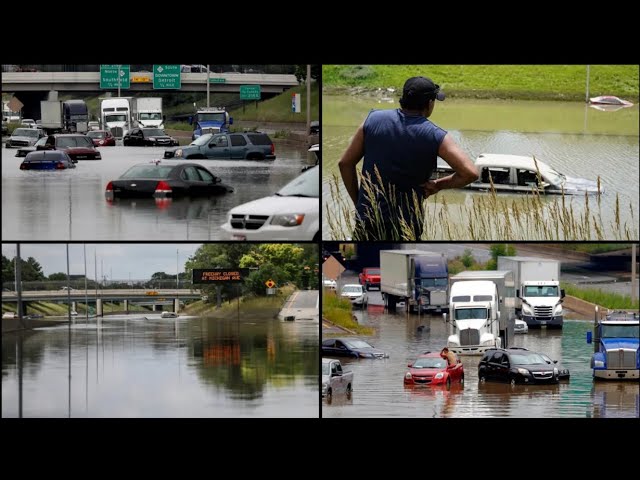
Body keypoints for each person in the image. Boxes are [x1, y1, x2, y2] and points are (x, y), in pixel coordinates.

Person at [338, 76, 479, 240]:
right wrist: (438, 185)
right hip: (407, 225)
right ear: (429, 103)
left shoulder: (373, 120)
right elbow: (470, 173)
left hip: (368, 220)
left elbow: (344, 163)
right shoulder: (435, 135)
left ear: (404, 98)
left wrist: (360, 204)